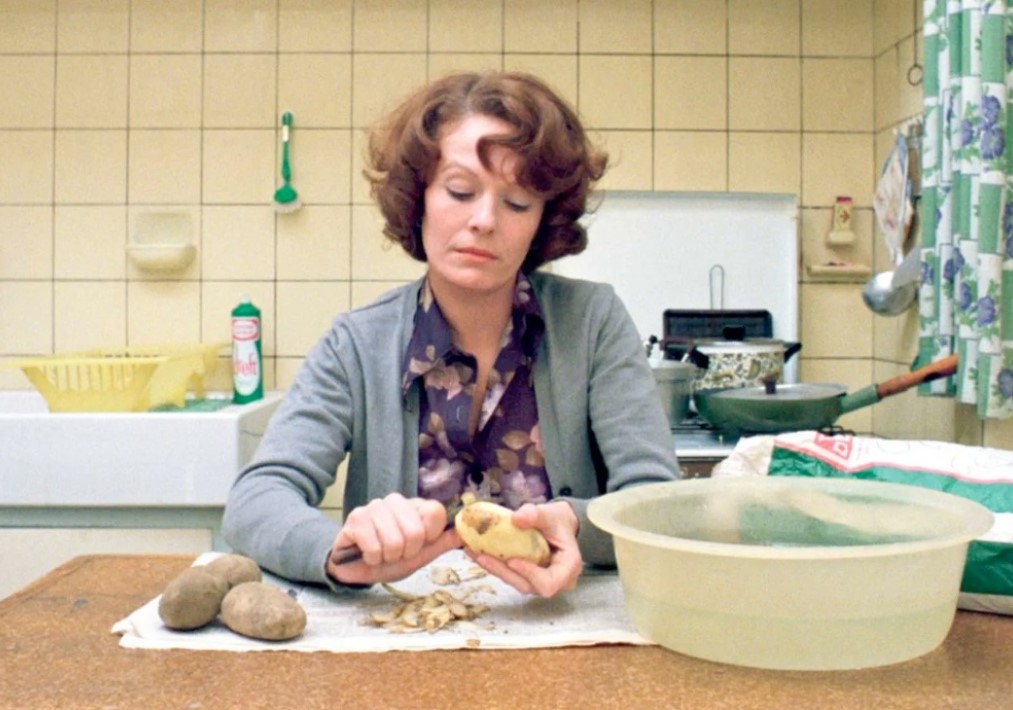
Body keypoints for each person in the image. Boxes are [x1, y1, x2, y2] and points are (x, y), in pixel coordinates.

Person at [222, 71, 680, 599]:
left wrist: (576, 524)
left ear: (543, 220)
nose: (484, 220)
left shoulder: (593, 322)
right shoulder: (356, 345)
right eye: (460, 191)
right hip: (399, 633)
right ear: (419, 198)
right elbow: (257, 499)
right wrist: (338, 551)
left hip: (561, 625)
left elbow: (656, 503)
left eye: (517, 202)